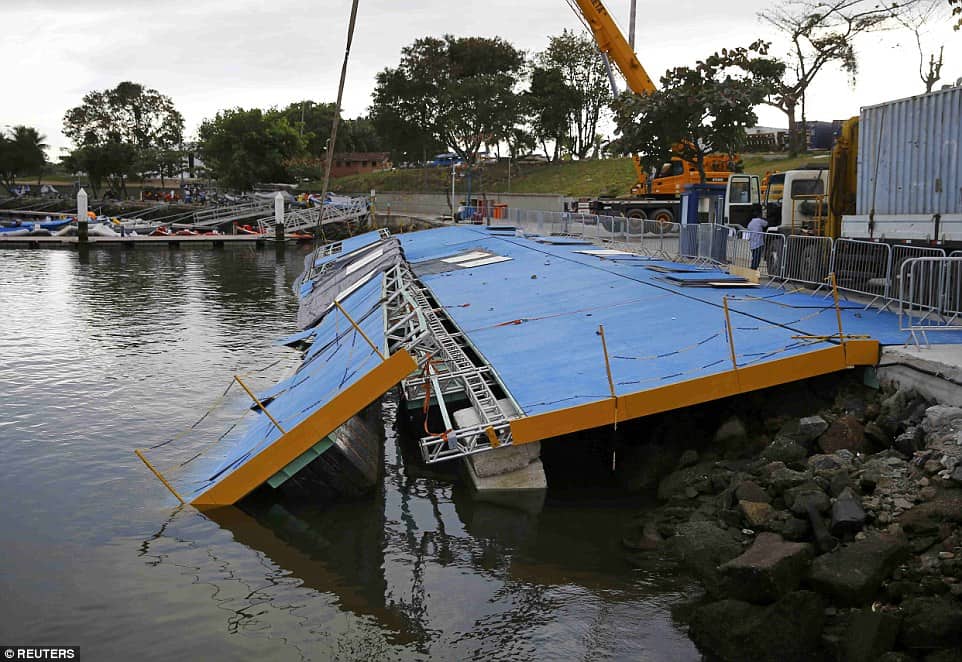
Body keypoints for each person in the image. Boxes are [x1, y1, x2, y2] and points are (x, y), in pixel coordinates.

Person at [747, 205, 768, 270]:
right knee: (757, 258)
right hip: (758, 244)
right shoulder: (759, 221)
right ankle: (753, 270)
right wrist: (764, 217)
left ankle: (753, 270)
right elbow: (766, 224)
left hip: (752, 244)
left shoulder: (750, 223)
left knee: (754, 257)